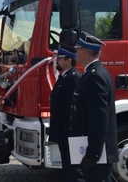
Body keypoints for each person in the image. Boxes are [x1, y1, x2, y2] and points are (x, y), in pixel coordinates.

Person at [71, 31, 119, 182]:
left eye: (78, 49)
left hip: (98, 154)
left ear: (84, 51)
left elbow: (99, 120)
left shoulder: (94, 77)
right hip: (98, 152)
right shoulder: (95, 73)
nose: (76, 52)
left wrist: (92, 155)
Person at [48, 44, 83, 182]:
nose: (57, 60)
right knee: (68, 169)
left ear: (69, 60)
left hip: (69, 133)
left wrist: (70, 134)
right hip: (63, 132)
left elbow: (72, 109)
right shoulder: (65, 76)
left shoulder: (73, 78)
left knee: (74, 170)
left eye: (60, 58)